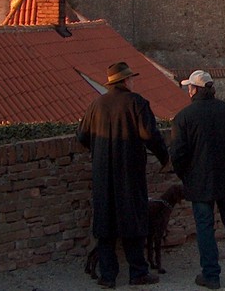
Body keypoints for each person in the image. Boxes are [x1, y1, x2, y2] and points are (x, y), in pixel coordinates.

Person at [77, 62, 168, 288]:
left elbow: (82, 136)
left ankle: (108, 276)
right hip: (130, 170)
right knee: (133, 219)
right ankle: (137, 272)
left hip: (103, 171)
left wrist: (98, 150)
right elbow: (149, 134)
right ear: (126, 81)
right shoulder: (136, 103)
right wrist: (165, 156)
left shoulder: (96, 104)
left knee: (105, 222)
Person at [171, 71, 225, 289]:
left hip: (199, 180)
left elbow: (177, 154)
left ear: (195, 89)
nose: (188, 90)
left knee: (205, 228)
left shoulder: (184, 117)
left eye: (190, 87)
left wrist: (186, 175)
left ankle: (211, 275)